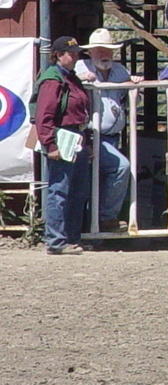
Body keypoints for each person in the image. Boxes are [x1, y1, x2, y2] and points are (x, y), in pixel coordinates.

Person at [34, 36, 93, 254]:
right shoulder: (53, 80)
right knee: (59, 190)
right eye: (73, 54)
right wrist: (50, 144)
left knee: (77, 191)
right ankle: (56, 241)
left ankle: (70, 238)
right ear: (59, 55)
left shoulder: (68, 77)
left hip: (75, 137)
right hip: (62, 137)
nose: (76, 57)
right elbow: (44, 115)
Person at [74, 28, 138, 228]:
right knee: (121, 167)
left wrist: (133, 83)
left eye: (107, 50)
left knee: (100, 179)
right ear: (90, 52)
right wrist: (81, 79)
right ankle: (104, 219)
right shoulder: (79, 68)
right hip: (91, 136)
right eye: (99, 50)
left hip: (112, 136)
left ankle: (97, 225)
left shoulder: (119, 70)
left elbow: (126, 92)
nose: (104, 54)